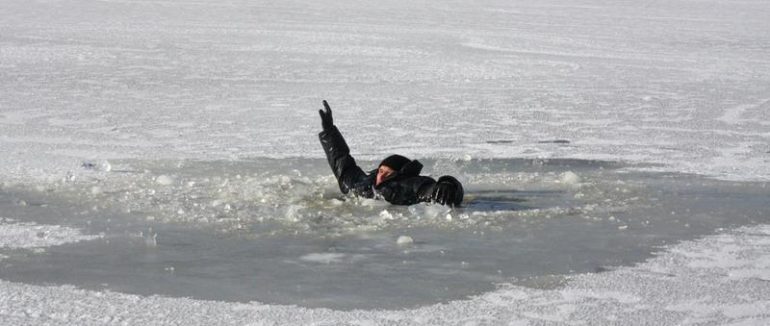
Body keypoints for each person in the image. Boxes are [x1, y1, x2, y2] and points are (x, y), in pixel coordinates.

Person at [318, 100, 464, 206]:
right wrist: (329, 131)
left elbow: (431, 189)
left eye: (389, 172)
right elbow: (343, 162)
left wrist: (448, 184)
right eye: (381, 170)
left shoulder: (411, 184)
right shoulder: (363, 183)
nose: (382, 175)